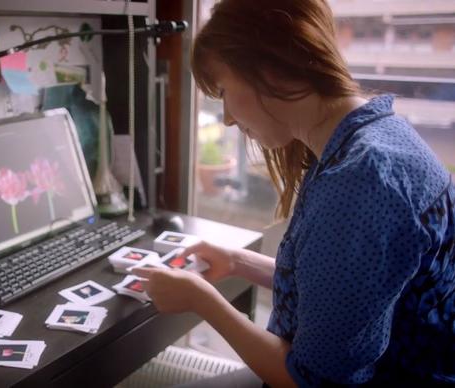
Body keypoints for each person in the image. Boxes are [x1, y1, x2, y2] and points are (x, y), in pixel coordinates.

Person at [131, 0, 455, 386]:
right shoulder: (370, 138)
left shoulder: (360, 184)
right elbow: (341, 297)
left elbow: (310, 380)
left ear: (270, 68)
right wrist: (237, 262)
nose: (228, 119)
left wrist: (202, 301)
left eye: (223, 91)